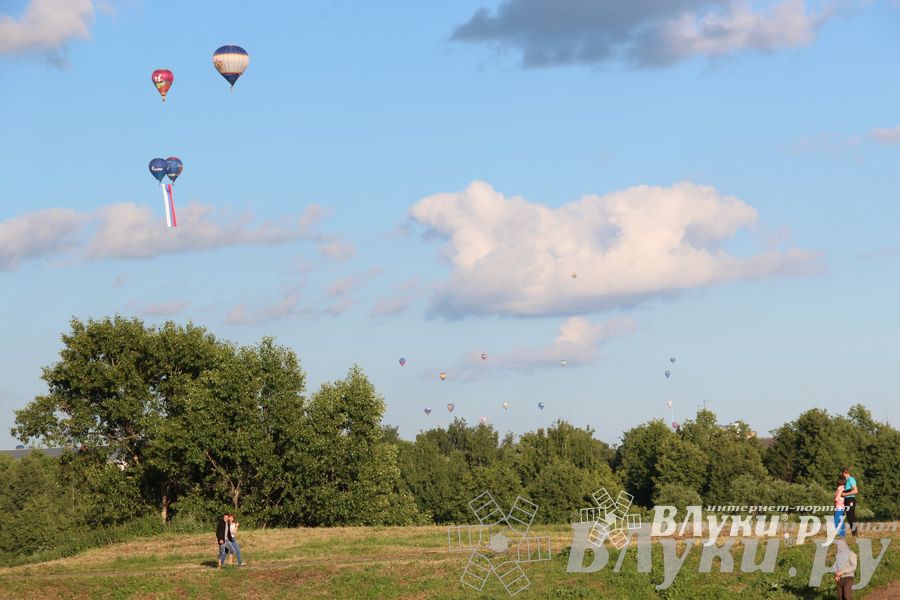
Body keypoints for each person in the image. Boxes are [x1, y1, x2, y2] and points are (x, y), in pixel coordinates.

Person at [840, 467, 859, 536]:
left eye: (842, 473)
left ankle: (855, 533)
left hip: (851, 499)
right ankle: (853, 533)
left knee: (851, 516)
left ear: (844, 473)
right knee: (848, 517)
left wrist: (845, 494)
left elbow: (855, 491)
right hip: (847, 500)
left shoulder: (851, 479)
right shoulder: (846, 481)